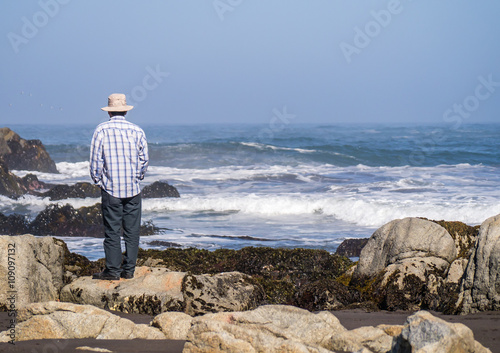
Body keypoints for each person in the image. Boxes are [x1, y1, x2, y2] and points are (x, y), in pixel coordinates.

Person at [90, 93, 149, 280]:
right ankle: (129, 271)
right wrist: (137, 177)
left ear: (109, 112)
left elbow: (95, 162)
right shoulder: (137, 130)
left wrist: (99, 181)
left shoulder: (101, 130)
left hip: (111, 188)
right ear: (125, 110)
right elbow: (144, 160)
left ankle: (113, 271)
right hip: (133, 189)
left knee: (112, 231)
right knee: (132, 232)